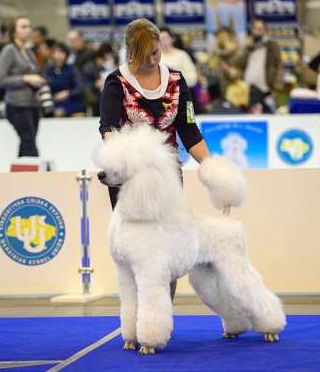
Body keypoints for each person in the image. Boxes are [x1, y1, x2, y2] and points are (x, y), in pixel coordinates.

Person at [99, 18, 210, 299]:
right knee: (133, 251)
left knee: (166, 250)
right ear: (130, 52)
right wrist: (123, 162)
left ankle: (161, 315)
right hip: (129, 180)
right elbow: (109, 130)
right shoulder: (116, 82)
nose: (153, 58)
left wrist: (211, 166)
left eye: (156, 51)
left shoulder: (175, 80)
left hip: (167, 178)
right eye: (146, 53)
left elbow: (188, 129)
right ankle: (137, 318)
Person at [0, 16, 46, 157]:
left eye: (29, 26)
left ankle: (21, 175)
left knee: (27, 143)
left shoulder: (29, 52)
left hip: (33, 103)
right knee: (29, 144)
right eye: (23, 27)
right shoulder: (9, 50)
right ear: (13, 32)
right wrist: (25, 78)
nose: (28, 29)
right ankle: (36, 175)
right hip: (17, 105)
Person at [243, 19, 281, 113]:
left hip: (266, 88)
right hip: (248, 88)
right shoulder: (247, 46)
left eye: (260, 29)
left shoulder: (272, 46)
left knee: (268, 117)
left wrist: (275, 86)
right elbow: (240, 64)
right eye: (255, 28)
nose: (257, 31)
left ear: (264, 30)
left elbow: (278, 66)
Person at [45, 40, 85, 117]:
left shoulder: (72, 69)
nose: (59, 55)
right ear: (52, 54)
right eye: (56, 52)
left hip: (71, 101)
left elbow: (80, 88)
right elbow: (47, 87)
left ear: (66, 55)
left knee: (60, 112)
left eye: (62, 52)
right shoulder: (49, 70)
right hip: (54, 102)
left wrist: (67, 93)